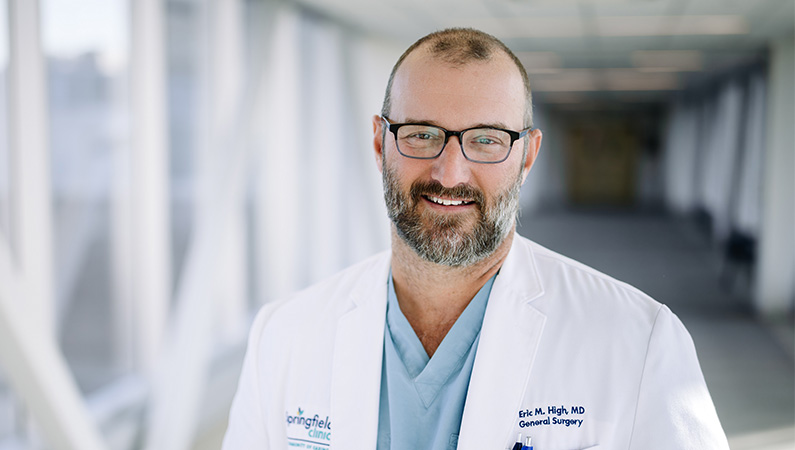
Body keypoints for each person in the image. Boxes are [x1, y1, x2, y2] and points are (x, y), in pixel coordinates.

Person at [223, 28, 729, 450]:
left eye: (486, 139)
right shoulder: (283, 337)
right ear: (380, 143)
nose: (450, 173)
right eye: (421, 134)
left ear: (527, 157)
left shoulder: (638, 341)